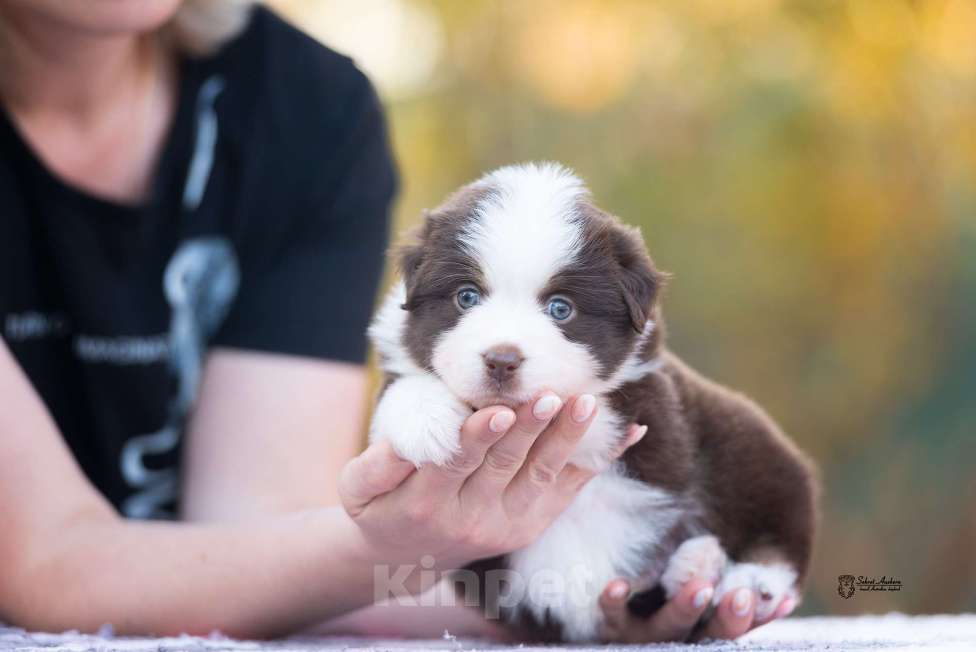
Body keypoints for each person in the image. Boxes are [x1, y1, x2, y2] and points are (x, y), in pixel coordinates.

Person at [0, 0, 792, 642]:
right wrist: (392, 544)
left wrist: (568, 600)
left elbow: (258, 548)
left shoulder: (305, 111)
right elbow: (47, 566)